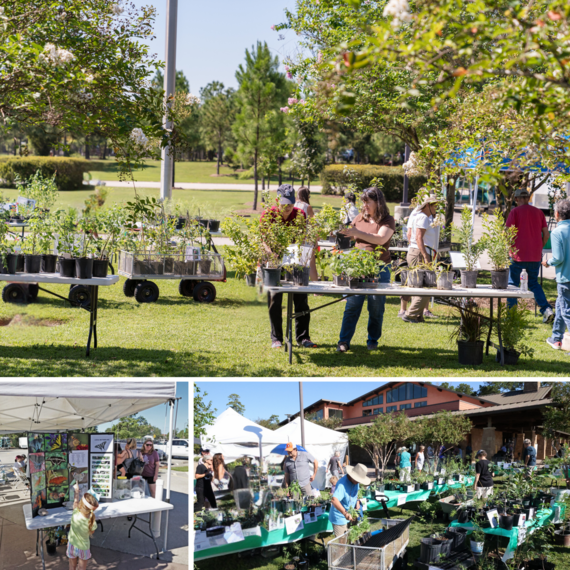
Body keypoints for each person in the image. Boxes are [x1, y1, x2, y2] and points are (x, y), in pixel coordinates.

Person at [336, 187, 395, 352]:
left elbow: (381, 239)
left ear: (378, 202)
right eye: (363, 201)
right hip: (358, 269)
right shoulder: (359, 218)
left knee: (376, 306)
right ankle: (344, 341)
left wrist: (357, 232)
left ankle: (372, 341)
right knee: (353, 304)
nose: (365, 205)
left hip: (380, 268)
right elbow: (347, 238)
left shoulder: (387, 220)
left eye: (368, 201)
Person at [263, 185, 317, 349]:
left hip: (293, 256)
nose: (287, 208)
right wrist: (271, 254)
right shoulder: (269, 214)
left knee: (301, 298)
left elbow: (303, 237)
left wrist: (303, 255)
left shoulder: (299, 214)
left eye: (290, 204)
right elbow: (264, 238)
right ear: (277, 200)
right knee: (275, 299)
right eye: (284, 204)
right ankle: (276, 338)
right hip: (273, 258)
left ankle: (303, 337)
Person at [507, 187, 554, 323]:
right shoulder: (539, 212)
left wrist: (509, 248)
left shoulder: (514, 212)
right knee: (533, 283)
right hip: (534, 256)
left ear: (516, 199)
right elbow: (546, 234)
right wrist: (539, 247)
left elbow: (508, 233)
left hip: (517, 256)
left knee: (513, 285)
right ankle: (546, 310)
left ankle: (512, 316)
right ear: (528, 198)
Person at [402, 196, 445, 323]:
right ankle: (410, 314)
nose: (436, 208)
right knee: (427, 286)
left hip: (419, 252)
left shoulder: (423, 216)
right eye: (434, 205)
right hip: (420, 253)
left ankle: (417, 315)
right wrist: (426, 256)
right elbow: (419, 238)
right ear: (427, 205)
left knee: (421, 285)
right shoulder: (423, 217)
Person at [542, 199, 570, 349]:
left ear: (557, 214)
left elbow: (559, 258)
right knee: (560, 306)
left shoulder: (557, 232)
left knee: (566, 311)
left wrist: (548, 262)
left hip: (565, 278)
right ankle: (556, 339)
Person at [328, 463, 370, 541]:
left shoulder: (355, 482)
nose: (359, 482)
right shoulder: (342, 484)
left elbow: (355, 493)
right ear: (352, 476)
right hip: (340, 517)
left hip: (350, 514)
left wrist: (357, 502)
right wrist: (345, 513)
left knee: (352, 540)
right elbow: (334, 500)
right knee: (342, 545)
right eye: (358, 479)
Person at [67, 482, 99, 569]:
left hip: (72, 545)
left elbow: (75, 502)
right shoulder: (92, 521)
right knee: (82, 568)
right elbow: (92, 531)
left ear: (81, 505)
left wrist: (76, 491)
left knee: (72, 565)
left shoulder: (75, 513)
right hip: (83, 548)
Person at [295, 186, 318, 281]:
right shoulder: (307, 207)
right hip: (306, 238)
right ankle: (317, 291)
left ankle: (298, 284)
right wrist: (316, 239)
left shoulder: (292, 205)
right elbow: (313, 225)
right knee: (311, 264)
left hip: (294, 237)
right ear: (307, 195)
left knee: (297, 263)